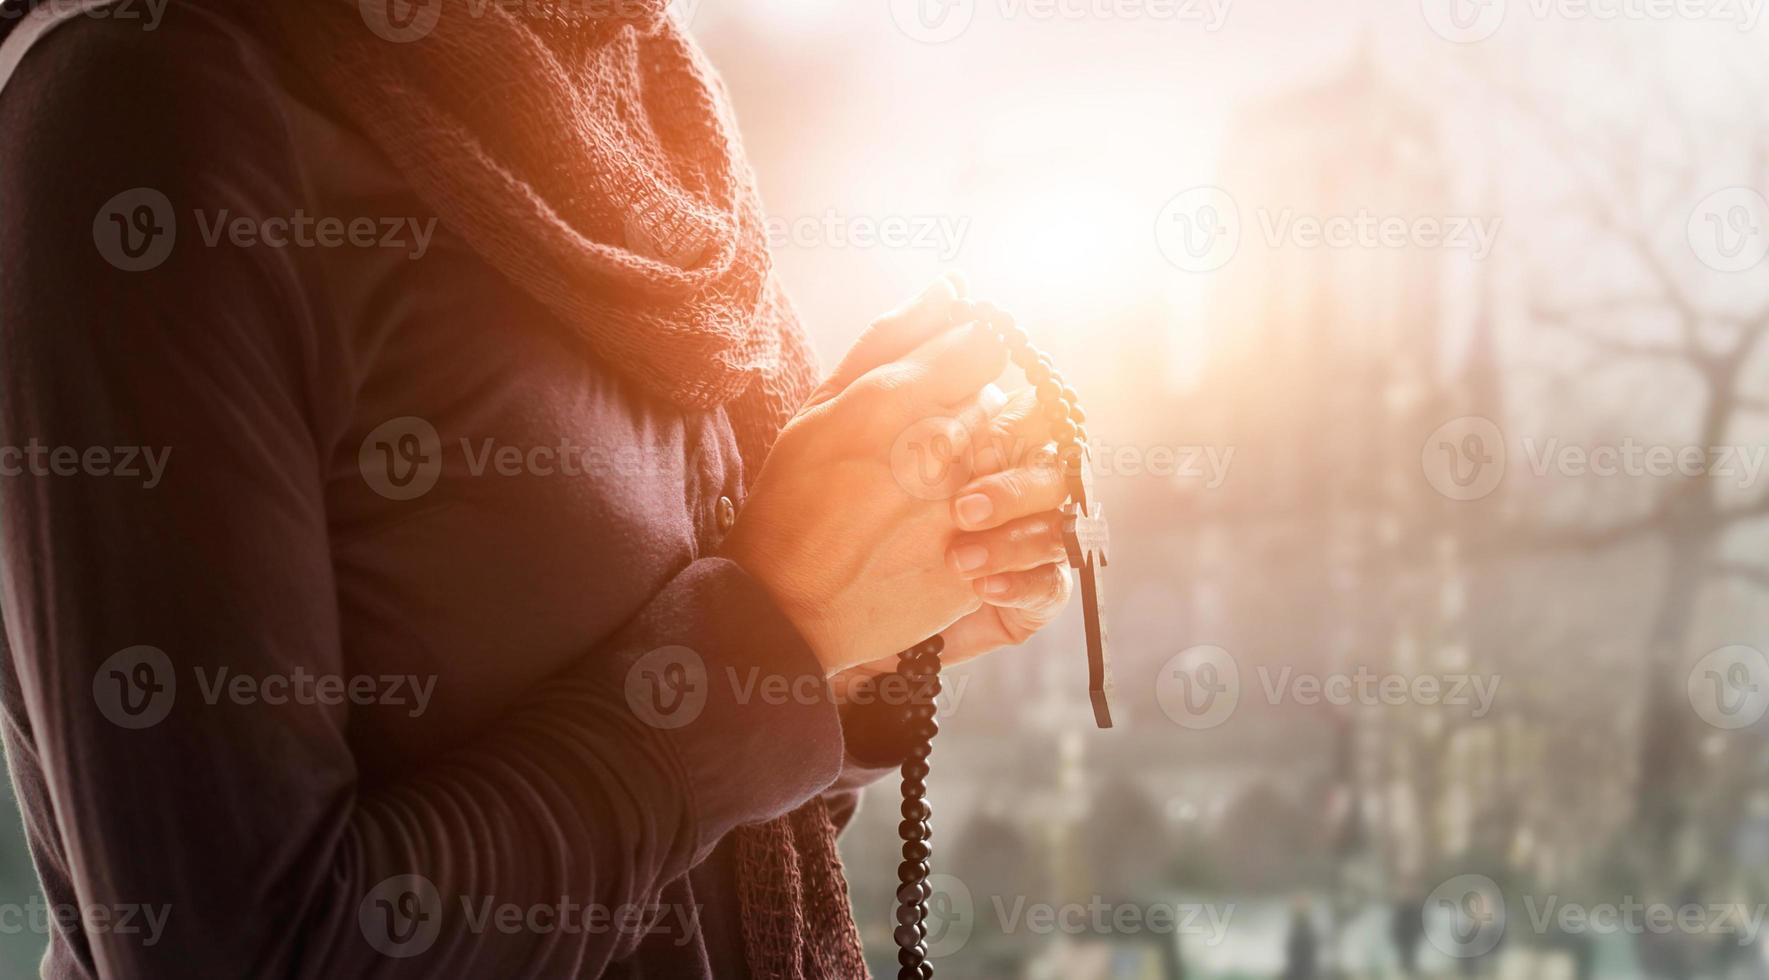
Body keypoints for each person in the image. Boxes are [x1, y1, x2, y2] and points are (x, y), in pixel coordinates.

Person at [0, 1, 1079, 976]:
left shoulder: (644, 90)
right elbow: (245, 953)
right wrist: (771, 626)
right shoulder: (148, 112)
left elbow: (684, 872)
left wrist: (846, 639)